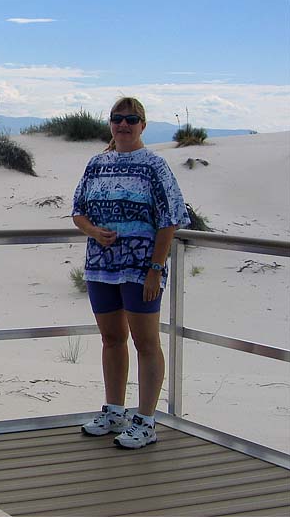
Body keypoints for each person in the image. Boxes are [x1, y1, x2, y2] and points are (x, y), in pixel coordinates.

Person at [71, 97, 190, 449]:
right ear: (110, 123)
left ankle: (147, 420)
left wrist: (155, 267)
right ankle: (114, 411)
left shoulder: (154, 165)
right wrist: (94, 232)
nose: (123, 125)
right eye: (117, 119)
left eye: (131, 119)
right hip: (101, 268)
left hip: (140, 269)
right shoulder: (97, 164)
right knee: (111, 339)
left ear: (143, 125)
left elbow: (170, 219)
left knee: (146, 342)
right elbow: (78, 211)